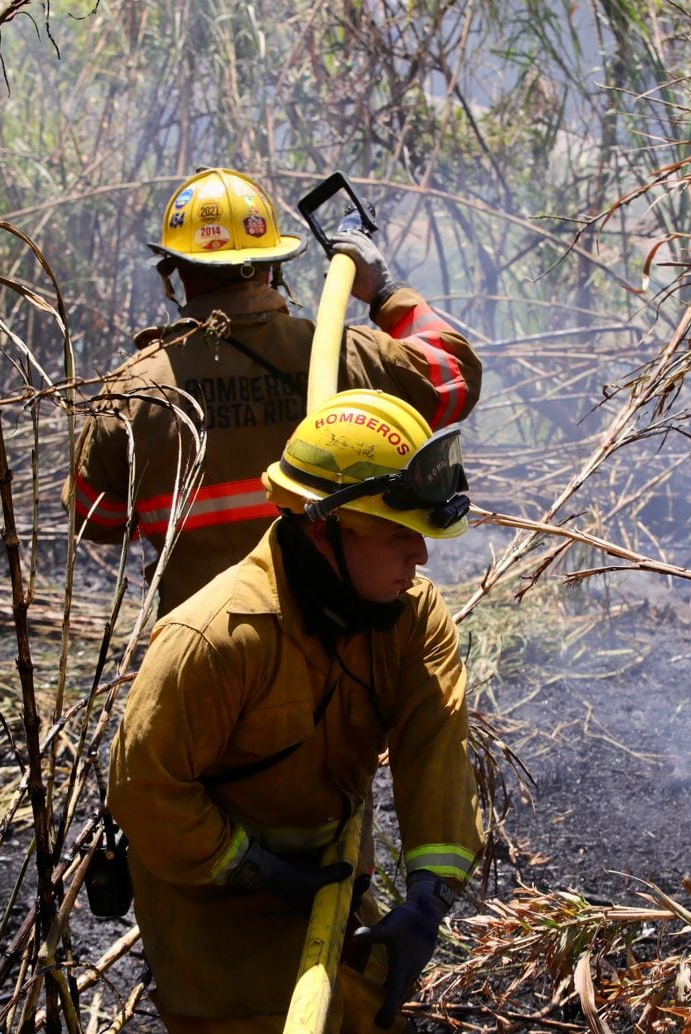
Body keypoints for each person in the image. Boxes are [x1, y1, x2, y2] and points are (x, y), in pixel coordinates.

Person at [107, 389, 485, 1033]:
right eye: (398, 535)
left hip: (331, 872)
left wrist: (428, 896)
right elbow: (147, 790)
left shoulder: (412, 617)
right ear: (320, 524)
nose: (419, 558)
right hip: (210, 895)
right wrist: (256, 868)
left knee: (366, 1015)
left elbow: (436, 753)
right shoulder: (218, 638)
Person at [64, 167, 482, 611]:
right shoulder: (344, 357)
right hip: (340, 637)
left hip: (206, 647)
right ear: (273, 268)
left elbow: (94, 517)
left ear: (176, 273)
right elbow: (454, 377)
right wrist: (383, 290)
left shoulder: (134, 393)